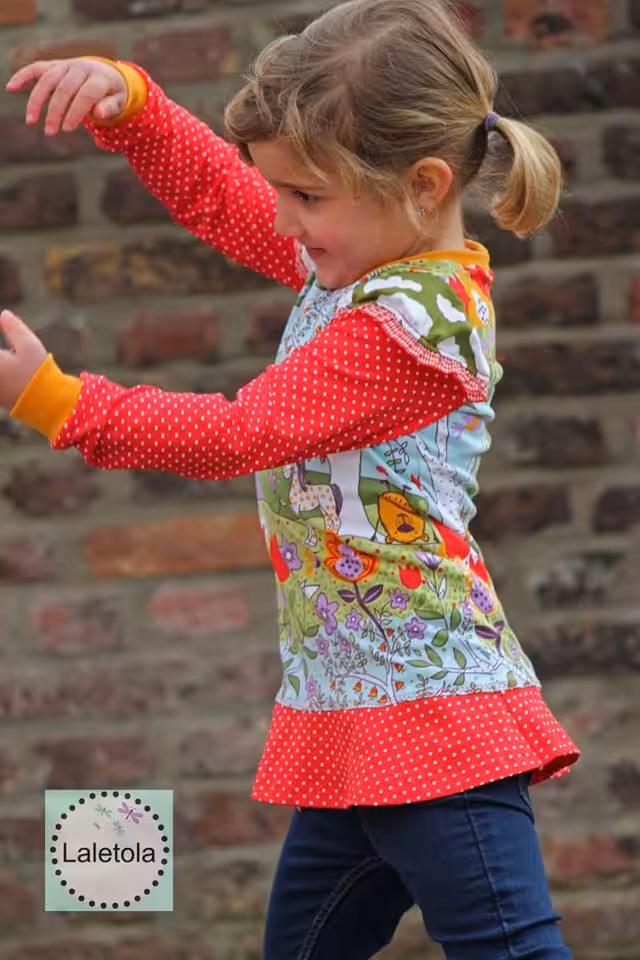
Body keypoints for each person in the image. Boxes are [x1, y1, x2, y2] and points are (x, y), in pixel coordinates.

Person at [2, 1, 579, 955]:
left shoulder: (414, 324)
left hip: (437, 726)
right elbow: (222, 198)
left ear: (423, 185)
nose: (281, 218)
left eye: (304, 195)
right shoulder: (359, 260)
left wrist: (58, 401)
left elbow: (243, 432)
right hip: (357, 718)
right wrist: (133, 106)